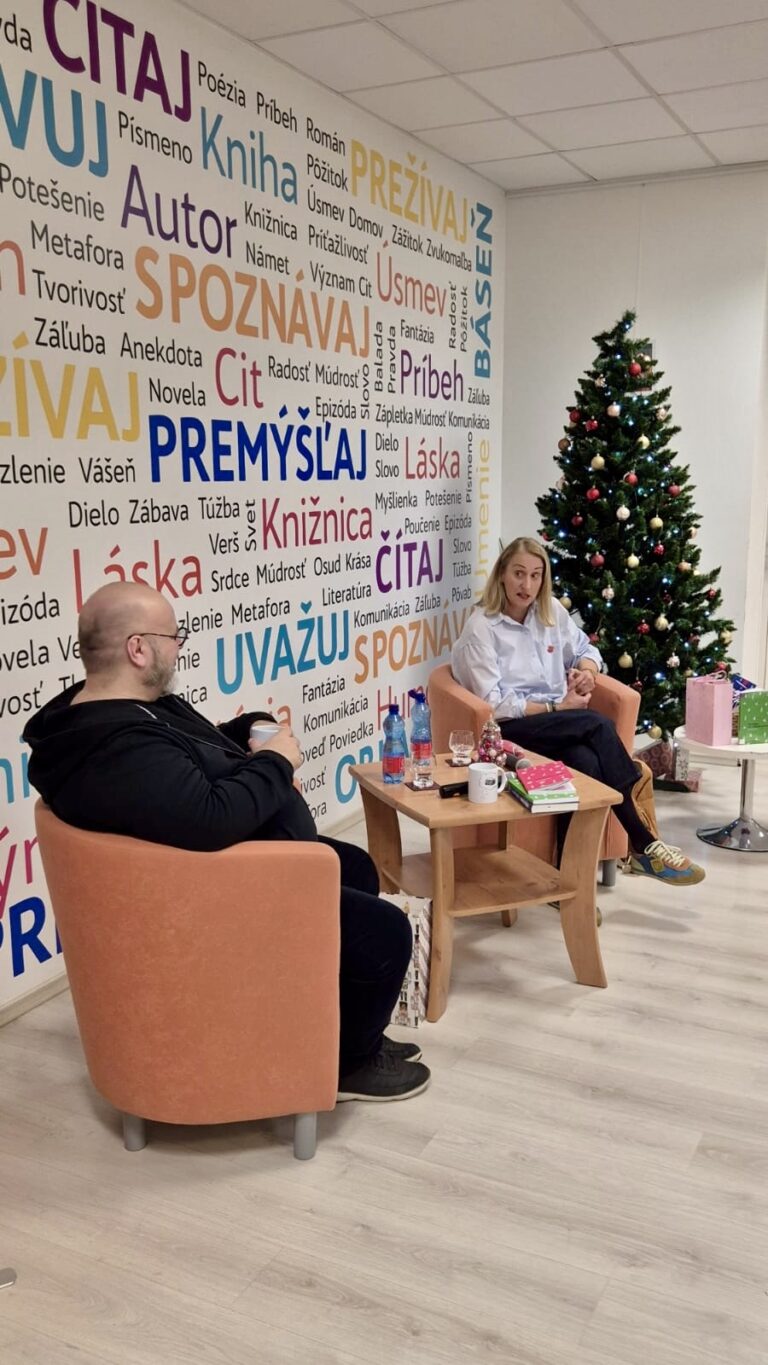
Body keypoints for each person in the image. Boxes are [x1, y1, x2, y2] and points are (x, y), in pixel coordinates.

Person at [23, 582, 430, 1102]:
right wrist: (276, 763)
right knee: (386, 934)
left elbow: (199, 751)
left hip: (237, 871)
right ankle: (349, 1067)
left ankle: (347, 1034)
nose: (179, 648)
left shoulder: (130, 711)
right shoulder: (113, 747)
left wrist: (256, 729)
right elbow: (211, 818)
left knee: (354, 866)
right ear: (138, 648)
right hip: (214, 903)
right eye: (173, 637)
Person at [451, 537, 705, 886]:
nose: (527, 585)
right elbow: (492, 704)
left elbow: (586, 650)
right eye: (519, 574)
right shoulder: (482, 626)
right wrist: (557, 706)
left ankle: (567, 884)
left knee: (585, 763)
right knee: (597, 725)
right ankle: (642, 836)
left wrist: (587, 672)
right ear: (502, 575)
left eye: (536, 575)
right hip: (509, 730)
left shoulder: (551, 612)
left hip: (560, 724)